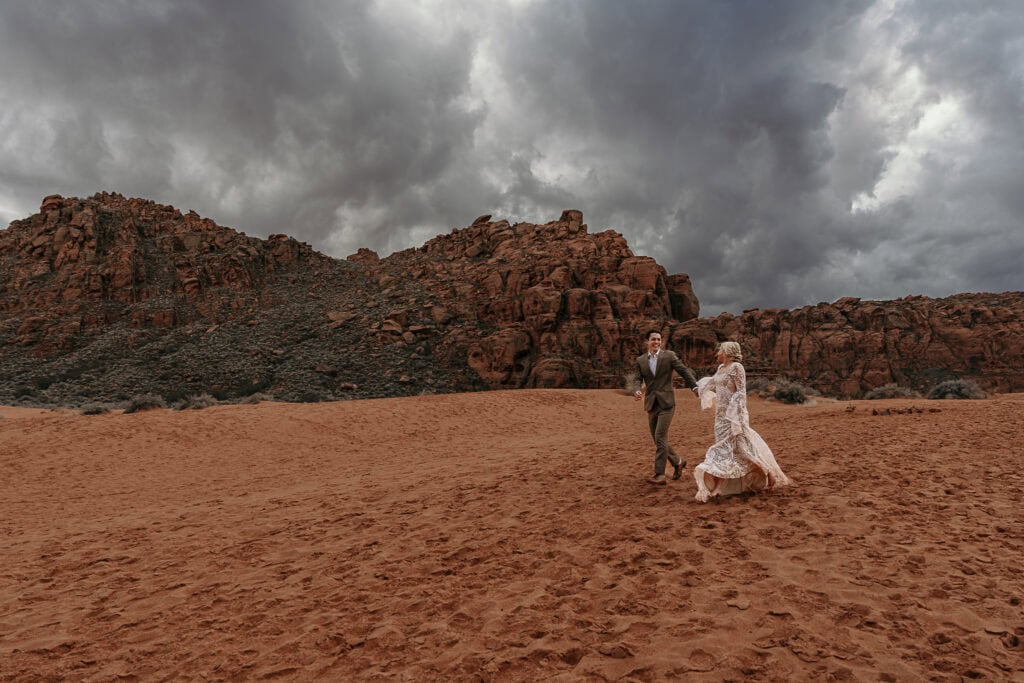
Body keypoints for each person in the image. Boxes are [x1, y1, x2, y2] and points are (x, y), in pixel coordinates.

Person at [693, 341, 790, 502]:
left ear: (727, 352)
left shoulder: (737, 367)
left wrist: (736, 416)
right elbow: (710, 383)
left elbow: (741, 393)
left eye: (720, 350)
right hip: (720, 419)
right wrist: (697, 388)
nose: (717, 353)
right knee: (726, 452)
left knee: (742, 450)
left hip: (734, 418)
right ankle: (720, 487)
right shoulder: (720, 369)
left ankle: (767, 472)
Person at [633, 329, 699, 485]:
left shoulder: (669, 356)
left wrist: (694, 387)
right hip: (651, 403)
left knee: (660, 436)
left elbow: (683, 370)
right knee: (657, 440)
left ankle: (659, 474)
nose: (656, 342)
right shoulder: (640, 360)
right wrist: (636, 390)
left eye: (658, 339)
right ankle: (678, 461)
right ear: (647, 342)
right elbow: (637, 378)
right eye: (653, 339)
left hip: (667, 403)